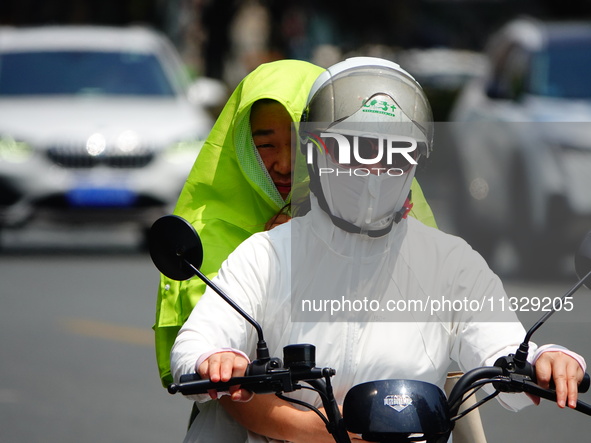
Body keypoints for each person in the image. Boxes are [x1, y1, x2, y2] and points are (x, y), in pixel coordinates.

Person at [170, 57, 587, 443]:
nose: (373, 171)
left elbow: (504, 345)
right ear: (316, 153)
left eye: (395, 153)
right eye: (356, 149)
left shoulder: (451, 261)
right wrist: (217, 357)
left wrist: (547, 358)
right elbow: (196, 343)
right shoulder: (265, 255)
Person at [154, 59, 437, 388]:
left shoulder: (404, 223)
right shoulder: (216, 232)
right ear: (241, 145)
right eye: (266, 146)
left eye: (297, 145)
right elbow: (204, 343)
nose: (285, 165)